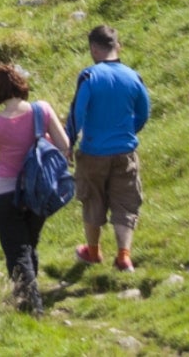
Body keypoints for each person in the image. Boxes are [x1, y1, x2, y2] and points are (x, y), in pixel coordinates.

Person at [0, 61, 72, 313]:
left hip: (6, 194)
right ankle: (30, 298)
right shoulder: (42, 110)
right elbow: (65, 145)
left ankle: (31, 307)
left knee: (17, 251)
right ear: (20, 84)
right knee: (28, 245)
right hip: (39, 191)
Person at [68, 23, 152, 271]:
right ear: (118, 46)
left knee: (92, 199)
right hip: (124, 150)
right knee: (125, 202)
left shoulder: (90, 76)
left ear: (94, 49)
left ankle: (93, 252)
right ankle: (124, 255)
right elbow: (144, 113)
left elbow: (77, 114)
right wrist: (128, 132)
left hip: (93, 152)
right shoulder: (133, 77)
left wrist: (68, 143)